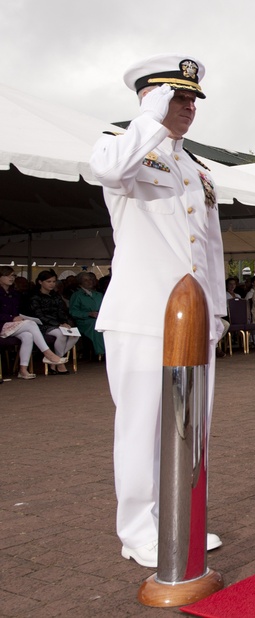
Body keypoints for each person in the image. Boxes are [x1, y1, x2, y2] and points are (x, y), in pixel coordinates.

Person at [90, 54, 225, 568]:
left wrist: (215, 314)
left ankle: (179, 516)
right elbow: (108, 168)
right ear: (149, 97)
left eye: (191, 98)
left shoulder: (196, 169)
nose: (186, 107)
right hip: (143, 316)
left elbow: (207, 246)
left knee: (192, 423)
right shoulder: (122, 151)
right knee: (142, 425)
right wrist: (149, 117)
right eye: (176, 96)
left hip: (193, 322)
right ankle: (137, 529)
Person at [1, 266, 68, 379]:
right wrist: (11, 317)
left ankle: (23, 370)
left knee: (28, 335)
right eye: (7, 275)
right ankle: (48, 354)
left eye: (13, 275)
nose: (11, 278)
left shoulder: (15, 293)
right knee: (31, 324)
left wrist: (19, 317)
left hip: (13, 325)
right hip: (2, 324)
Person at [28, 269, 79, 373]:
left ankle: (53, 361)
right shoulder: (35, 297)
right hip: (42, 325)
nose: (52, 284)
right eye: (48, 281)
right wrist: (59, 324)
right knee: (61, 334)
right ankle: (60, 364)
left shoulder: (56, 296)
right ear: (40, 282)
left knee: (75, 335)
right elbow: (39, 316)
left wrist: (65, 322)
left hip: (58, 324)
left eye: (53, 281)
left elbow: (61, 311)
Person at [68, 272, 105, 357]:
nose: (89, 282)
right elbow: (73, 312)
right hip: (85, 321)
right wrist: (89, 314)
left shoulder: (98, 294)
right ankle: (101, 352)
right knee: (96, 325)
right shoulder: (77, 295)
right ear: (80, 282)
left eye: (90, 279)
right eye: (86, 280)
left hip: (99, 318)